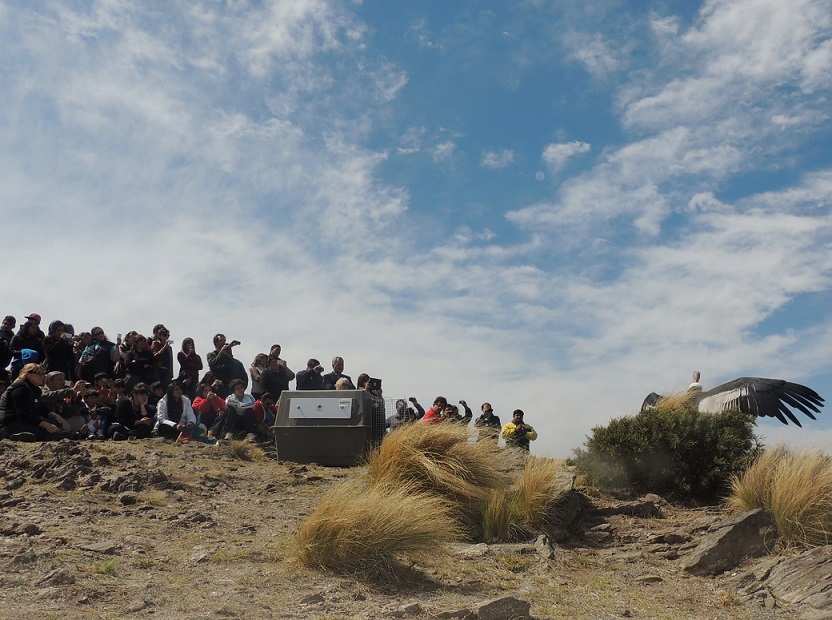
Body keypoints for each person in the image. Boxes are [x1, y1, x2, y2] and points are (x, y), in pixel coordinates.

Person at [0, 363, 71, 441]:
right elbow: (22, 413)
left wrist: (56, 417)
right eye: (38, 373)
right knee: (45, 431)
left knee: (57, 424)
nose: (42, 376)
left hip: (26, 421)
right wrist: (45, 425)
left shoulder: (35, 389)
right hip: (11, 423)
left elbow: (42, 409)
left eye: (43, 374)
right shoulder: (20, 388)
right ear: (28, 374)